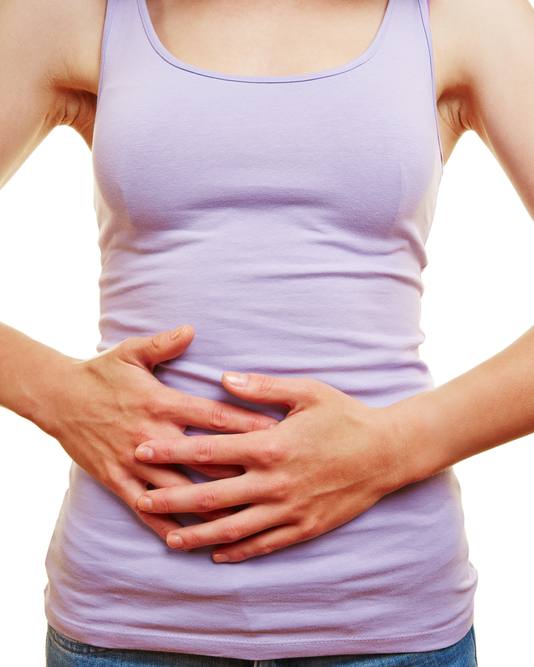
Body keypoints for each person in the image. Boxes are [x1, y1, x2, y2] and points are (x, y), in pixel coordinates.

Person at [1, 0, 532, 665]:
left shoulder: (468, 15)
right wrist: (57, 394)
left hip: (387, 617)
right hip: (127, 619)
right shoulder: (75, 12)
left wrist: (394, 447)